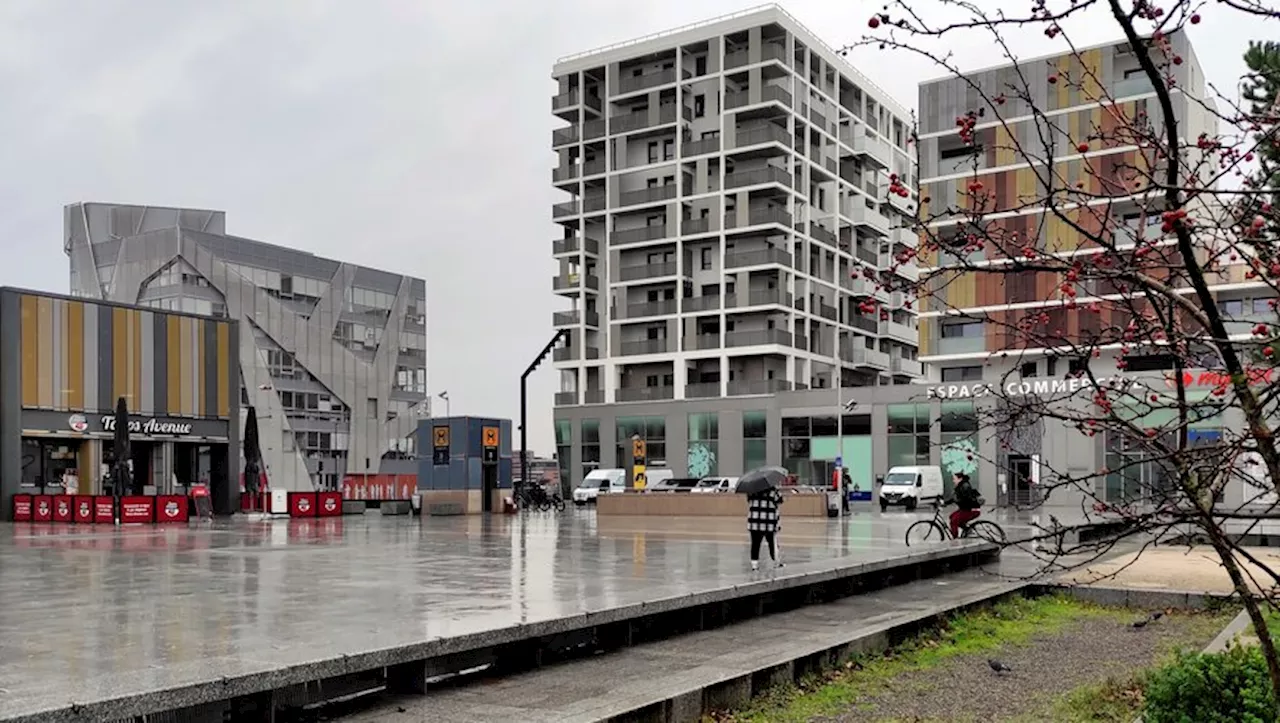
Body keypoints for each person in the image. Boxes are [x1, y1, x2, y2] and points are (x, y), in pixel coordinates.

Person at [747, 486, 784, 570]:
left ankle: (754, 565)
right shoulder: (773, 492)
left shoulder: (751, 492)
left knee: (755, 544)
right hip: (769, 522)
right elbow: (780, 500)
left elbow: (749, 500)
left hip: (754, 522)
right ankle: (776, 561)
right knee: (772, 543)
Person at [950, 472, 982, 537]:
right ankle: (967, 529)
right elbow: (956, 498)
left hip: (972, 510)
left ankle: (954, 539)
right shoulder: (960, 486)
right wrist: (945, 502)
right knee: (951, 516)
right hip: (966, 509)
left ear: (960, 479)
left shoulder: (964, 486)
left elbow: (966, 499)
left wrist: (956, 501)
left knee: (954, 521)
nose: (953, 481)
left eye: (954, 479)